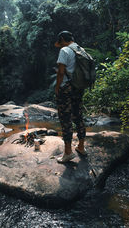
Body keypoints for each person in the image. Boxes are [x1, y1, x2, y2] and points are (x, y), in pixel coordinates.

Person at [54, 31, 87, 163]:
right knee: (78, 115)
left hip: (66, 88)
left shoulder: (65, 50)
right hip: (79, 87)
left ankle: (68, 152)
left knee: (65, 118)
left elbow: (61, 73)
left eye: (60, 41)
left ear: (62, 39)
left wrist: (57, 87)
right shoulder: (81, 50)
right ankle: (81, 147)